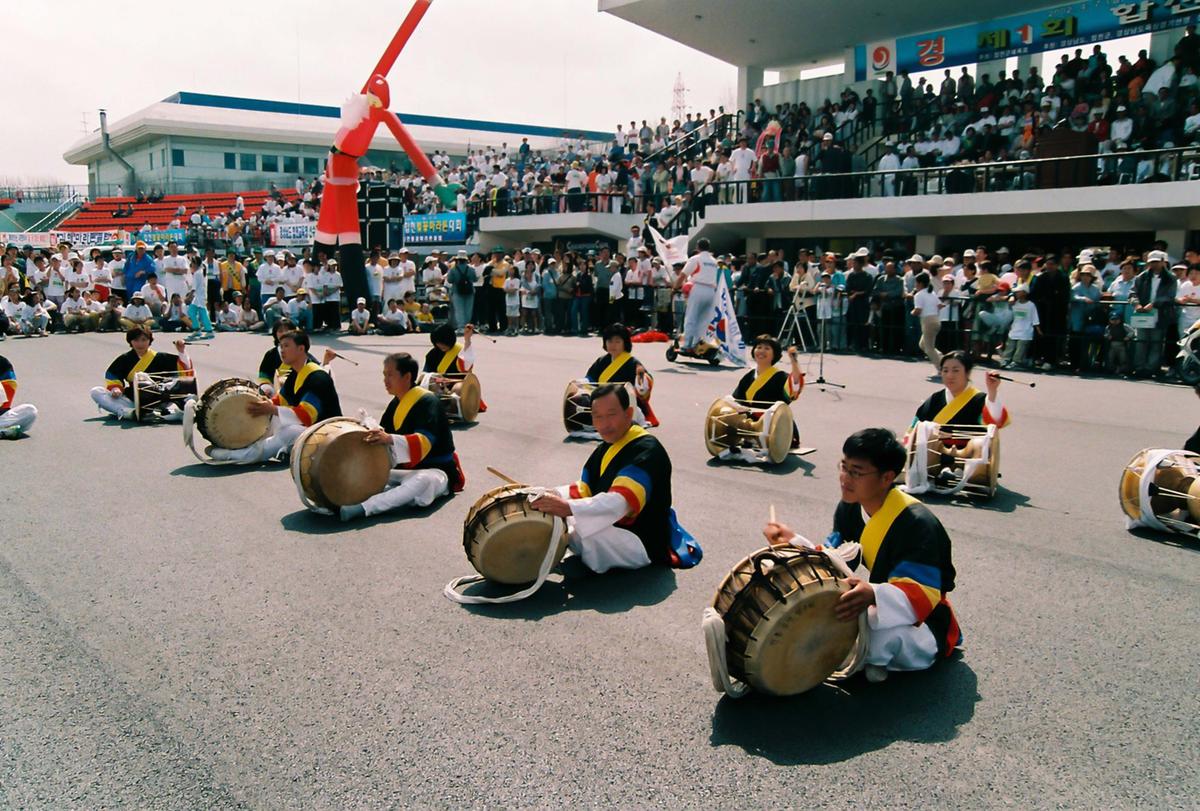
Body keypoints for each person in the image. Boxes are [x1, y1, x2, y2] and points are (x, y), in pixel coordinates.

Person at [762, 428, 962, 681]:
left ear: (887, 477)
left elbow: (922, 595)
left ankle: (879, 657)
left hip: (926, 622)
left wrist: (874, 594)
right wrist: (793, 542)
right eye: (843, 467)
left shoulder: (918, 524)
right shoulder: (850, 507)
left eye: (856, 472)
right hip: (881, 605)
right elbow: (838, 558)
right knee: (828, 617)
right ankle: (870, 660)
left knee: (873, 637)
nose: (845, 478)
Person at [530, 383, 692, 572]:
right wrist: (550, 493)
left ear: (629, 413)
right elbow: (585, 489)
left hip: (641, 538)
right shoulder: (609, 444)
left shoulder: (648, 450)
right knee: (564, 519)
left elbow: (620, 502)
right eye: (598, 417)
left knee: (582, 531)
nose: (604, 424)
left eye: (611, 415)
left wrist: (568, 507)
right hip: (614, 525)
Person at [337, 353, 465, 522]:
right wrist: (367, 428)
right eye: (384, 375)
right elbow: (385, 434)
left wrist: (389, 438)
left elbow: (424, 442)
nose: (385, 380)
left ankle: (364, 507)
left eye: (390, 375)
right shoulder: (396, 403)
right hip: (405, 469)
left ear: (407, 377)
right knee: (368, 471)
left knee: (423, 481)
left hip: (437, 470)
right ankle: (342, 496)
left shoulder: (428, 401)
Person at [209, 331, 341, 463]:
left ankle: (239, 455)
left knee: (290, 431)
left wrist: (271, 409)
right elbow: (281, 400)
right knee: (270, 418)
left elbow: (307, 415)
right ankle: (247, 446)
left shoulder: (317, 377)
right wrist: (266, 403)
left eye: (286, 346)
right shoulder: (296, 373)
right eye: (280, 346)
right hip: (307, 428)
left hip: (325, 432)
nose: (282, 350)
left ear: (301, 348)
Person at [89, 327, 194, 421]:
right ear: (130, 342)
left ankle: (154, 411)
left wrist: (181, 351)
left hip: (160, 399)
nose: (140, 344)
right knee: (96, 392)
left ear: (149, 341)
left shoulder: (161, 357)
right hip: (134, 399)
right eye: (136, 340)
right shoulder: (124, 359)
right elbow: (113, 375)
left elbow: (185, 371)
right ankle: (129, 413)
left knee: (188, 392)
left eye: (144, 340)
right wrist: (115, 388)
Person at [910, 350, 1009, 435]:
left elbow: (994, 423)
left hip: (969, 455)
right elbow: (914, 429)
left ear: (968, 372)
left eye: (956, 370)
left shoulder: (980, 400)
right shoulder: (935, 399)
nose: (949, 375)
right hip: (934, 455)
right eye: (945, 370)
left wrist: (992, 391)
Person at [584, 323, 657, 426]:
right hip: (603, 402)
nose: (613, 345)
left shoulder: (632, 363)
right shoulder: (602, 361)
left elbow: (643, 382)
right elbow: (590, 378)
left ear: (625, 343)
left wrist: (641, 380)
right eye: (609, 341)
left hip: (625, 404)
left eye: (617, 341)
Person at [731, 334, 804, 407]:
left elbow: (795, 384)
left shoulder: (781, 377)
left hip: (773, 417)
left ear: (774, 354)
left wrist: (794, 360)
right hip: (746, 416)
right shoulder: (749, 376)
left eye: (767, 348)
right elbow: (735, 399)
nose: (761, 351)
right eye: (759, 347)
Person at [257, 318, 320, 397]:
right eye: (280, 331)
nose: (284, 333)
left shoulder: (302, 355)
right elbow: (264, 374)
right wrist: (266, 386)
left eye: (287, 330)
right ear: (275, 334)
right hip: (276, 393)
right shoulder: (271, 354)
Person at [679, 238, 718, 351]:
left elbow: (683, 274)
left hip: (698, 288)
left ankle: (687, 345)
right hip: (711, 291)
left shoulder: (695, 259)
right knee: (703, 320)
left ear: (698, 247)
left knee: (691, 317)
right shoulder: (714, 260)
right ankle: (697, 343)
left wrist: (675, 286)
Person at [0, 354, 38, 438]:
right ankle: (4, 431)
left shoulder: (3, 364)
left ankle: (2, 430)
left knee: (30, 410)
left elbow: (5, 400)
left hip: (1, 416)